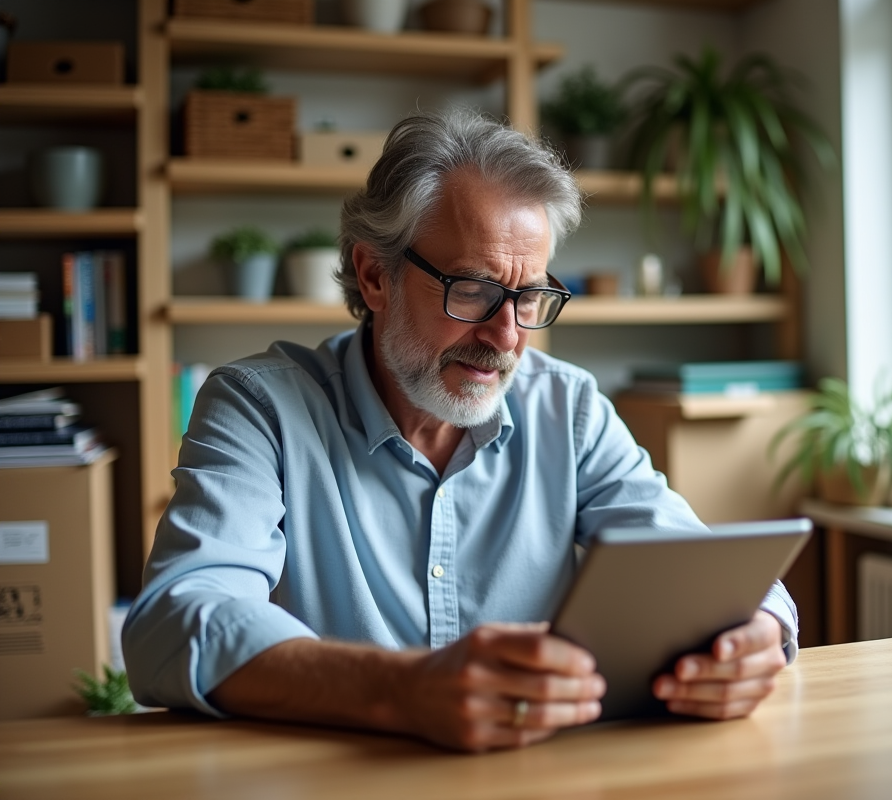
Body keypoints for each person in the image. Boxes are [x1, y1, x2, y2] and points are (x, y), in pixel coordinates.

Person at [123, 108, 798, 752]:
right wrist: (402, 690)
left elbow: (697, 566)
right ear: (374, 274)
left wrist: (755, 633)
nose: (505, 336)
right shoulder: (259, 408)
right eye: (472, 289)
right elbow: (174, 623)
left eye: (528, 296)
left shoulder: (572, 410)